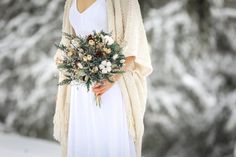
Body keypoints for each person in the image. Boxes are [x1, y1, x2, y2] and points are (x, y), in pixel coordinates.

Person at [53, 0, 153, 157]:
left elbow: (134, 46)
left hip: (111, 87)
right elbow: (67, 43)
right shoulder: (70, 2)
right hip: (79, 88)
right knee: (82, 144)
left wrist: (111, 78)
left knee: (109, 143)